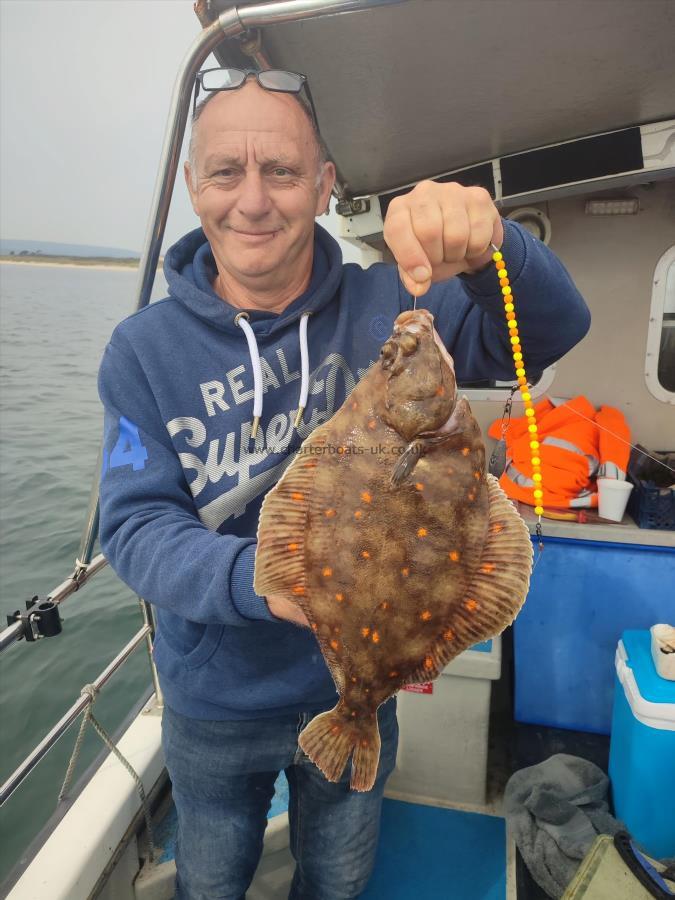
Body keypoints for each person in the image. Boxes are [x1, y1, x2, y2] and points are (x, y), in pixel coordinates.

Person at [98, 71, 590, 900]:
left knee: (337, 879)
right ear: (193, 186)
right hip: (211, 702)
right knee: (210, 881)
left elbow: (550, 328)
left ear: (324, 184)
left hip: (359, 685)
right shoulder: (140, 351)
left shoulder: (392, 300)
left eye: (282, 172)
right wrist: (266, 587)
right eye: (226, 172)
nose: (252, 201)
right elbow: (136, 528)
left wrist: (495, 245)